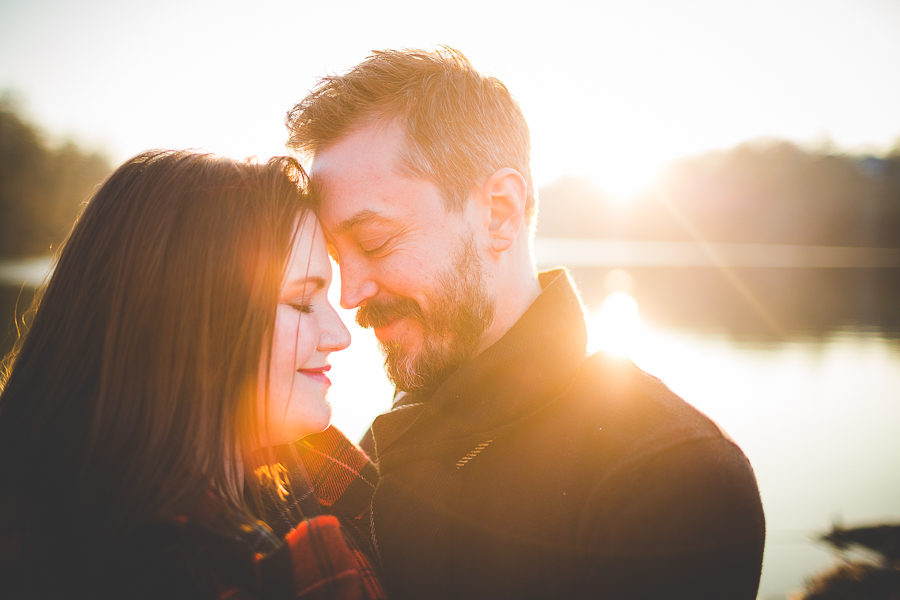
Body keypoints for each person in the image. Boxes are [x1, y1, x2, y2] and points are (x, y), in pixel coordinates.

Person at [286, 47, 766, 599]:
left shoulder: (671, 475)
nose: (349, 296)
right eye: (338, 258)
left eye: (375, 241)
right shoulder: (369, 456)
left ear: (499, 212)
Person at [0, 150, 384, 599]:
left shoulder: (317, 480)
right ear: (185, 322)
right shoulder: (139, 568)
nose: (340, 334)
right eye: (301, 302)